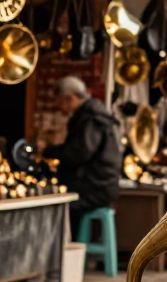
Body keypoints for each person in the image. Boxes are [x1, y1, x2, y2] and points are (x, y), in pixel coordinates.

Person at [42, 76, 122, 236]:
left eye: (60, 102)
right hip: (100, 185)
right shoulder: (94, 113)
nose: (60, 108)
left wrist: (49, 151)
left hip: (95, 189)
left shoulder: (90, 117)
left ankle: (67, 250)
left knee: (57, 206)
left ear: (70, 98)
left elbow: (79, 153)